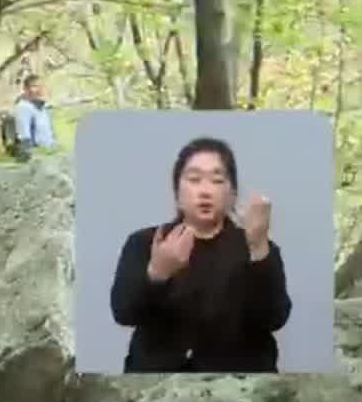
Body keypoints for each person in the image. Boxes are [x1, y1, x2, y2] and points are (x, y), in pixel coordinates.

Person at [109, 136, 290, 372]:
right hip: (156, 385)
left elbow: (274, 318)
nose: (205, 191)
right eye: (194, 179)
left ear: (232, 194)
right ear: (177, 191)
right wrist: (157, 274)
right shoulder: (145, 243)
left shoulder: (257, 248)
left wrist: (257, 246)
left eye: (216, 180)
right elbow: (123, 313)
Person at [9, 73, 57, 159]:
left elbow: (51, 137)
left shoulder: (43, 109)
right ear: (25, 89)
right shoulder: (24, 108)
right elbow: (24, 140)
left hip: (50, 157)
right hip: (37, 160)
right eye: (34, 86)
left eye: (41, 87)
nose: (39, 90)